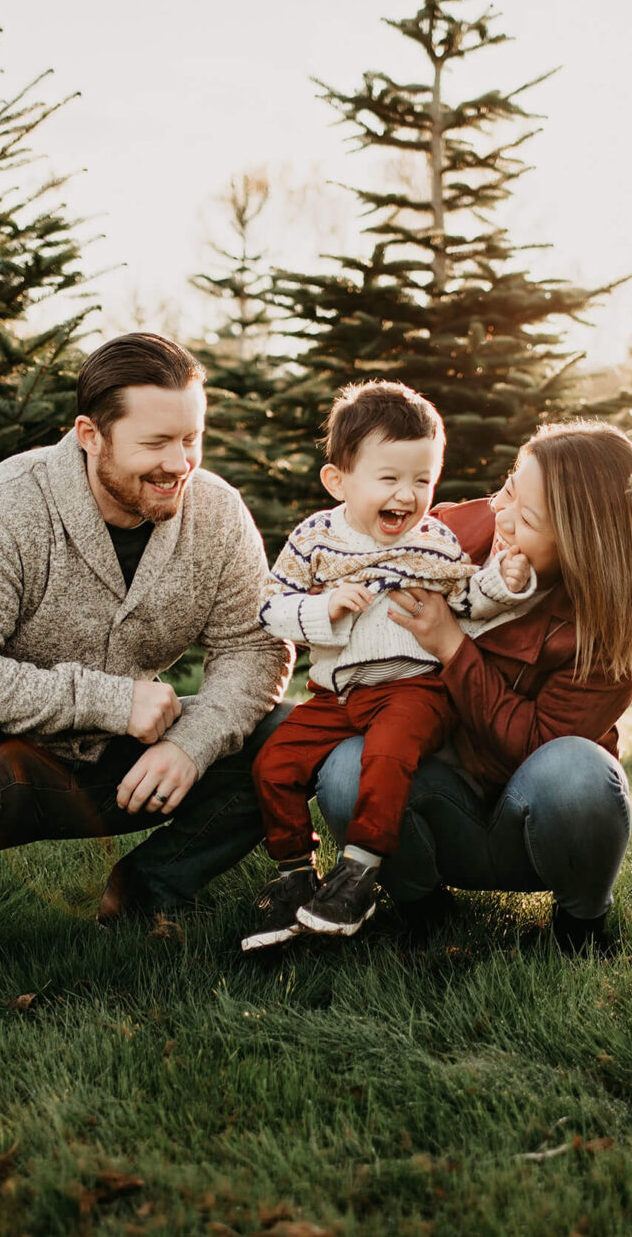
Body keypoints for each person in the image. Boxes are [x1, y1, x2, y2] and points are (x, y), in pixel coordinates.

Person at [0, 332, 293, 995]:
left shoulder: (216, 513)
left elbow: (254, 648)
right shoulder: (0, 509)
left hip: (125, 769)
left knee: (288, 737)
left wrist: (191, 745)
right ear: (90, 434)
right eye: (155, 443)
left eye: (191, 438)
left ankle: (146, 890)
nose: (180, 463)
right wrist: (110, 700)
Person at [311, 420, 632, 952]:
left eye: (525, 516)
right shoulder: (449, 534)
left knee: (581, 771)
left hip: (535, 827)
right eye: (507, 488)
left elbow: (535, 749)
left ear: (580, 544)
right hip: (434, 798)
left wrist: (452, 647)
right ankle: (423, 908)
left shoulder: (608, 632)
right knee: (347, 766)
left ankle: (580, 925)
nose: (499, 512)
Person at [240, 382, 535, 952]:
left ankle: (360, 874)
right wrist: (322, 608)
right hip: (336, 695)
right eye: (389, 479)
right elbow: (270, 607)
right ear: (339, 481)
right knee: (274, 762)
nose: (409, 494)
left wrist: (506, 582)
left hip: (412, 687)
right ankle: (295, 877)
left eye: (423, 480)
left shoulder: (435, 543)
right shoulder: (314, 539)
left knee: (389, 752)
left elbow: (469, 600)